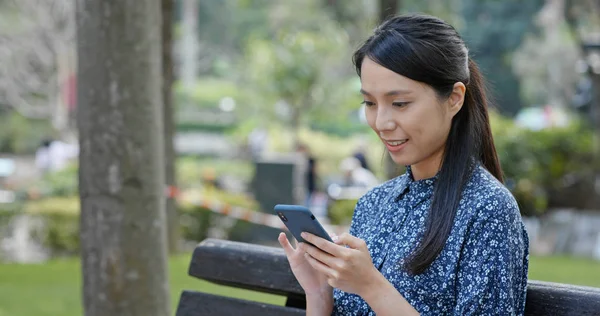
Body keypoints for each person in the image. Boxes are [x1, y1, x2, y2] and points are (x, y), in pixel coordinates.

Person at [278, 14, 529, 315]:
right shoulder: (373, 204)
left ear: (454, 98)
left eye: (400, 104)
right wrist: (319, 292)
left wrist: (372, 286)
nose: (381, 122)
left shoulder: (488, 210)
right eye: (370, 103)